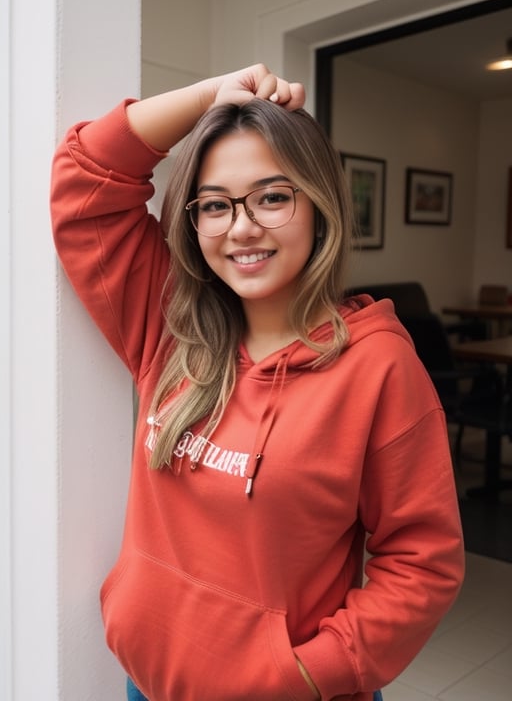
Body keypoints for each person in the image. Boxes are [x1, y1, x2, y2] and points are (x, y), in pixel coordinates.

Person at [51, 63, 464, 701]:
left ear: (319, 203)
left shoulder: (378, 367)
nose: (241, 227)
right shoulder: (172, 326)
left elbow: (423, 562)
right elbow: (86, 179)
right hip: (148, 683)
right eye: (215, 205)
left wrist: (303, 673)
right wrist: (208, 96)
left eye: (272, 196)